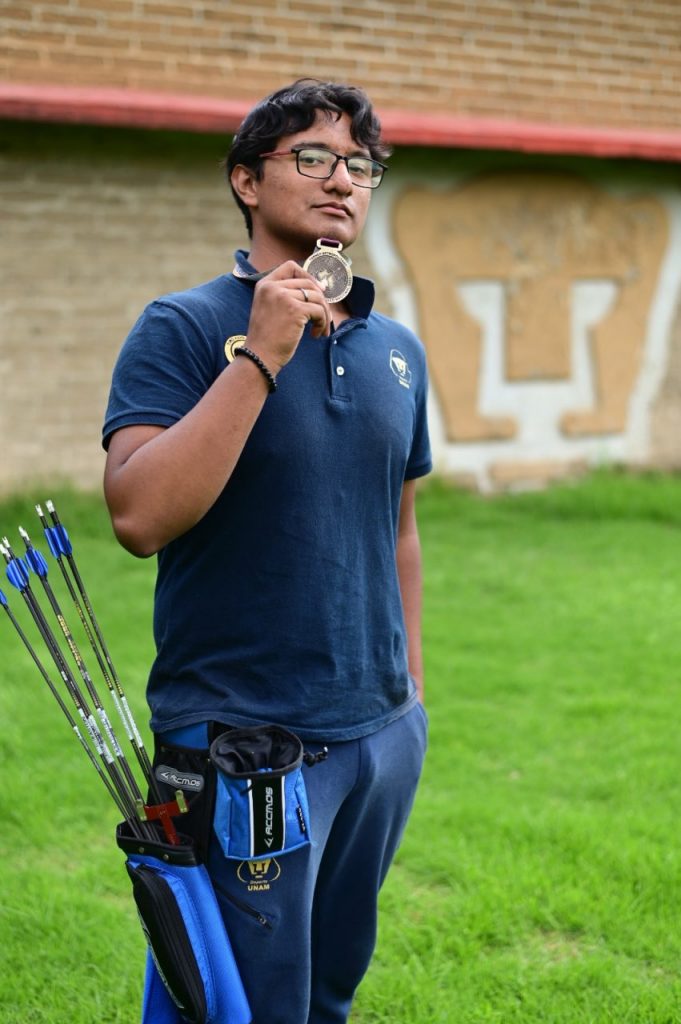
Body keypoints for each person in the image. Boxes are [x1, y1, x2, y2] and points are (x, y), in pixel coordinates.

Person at [102, 78, 432, 1024]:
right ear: (246, 180)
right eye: (313, 157)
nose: (343, 181)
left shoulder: (397, 349)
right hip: (244, 741)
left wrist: (408, 697)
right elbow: (138, 516)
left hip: (377, 737)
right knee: (230, 1000)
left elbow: (398, 527)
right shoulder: (183, 327)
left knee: (328, 991)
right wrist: (260, 356)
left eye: (360, 164)